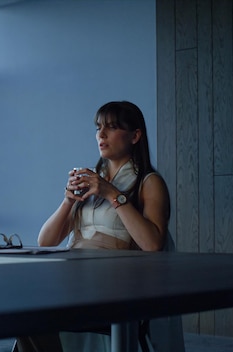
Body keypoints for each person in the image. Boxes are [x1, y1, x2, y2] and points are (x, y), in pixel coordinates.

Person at [15, 101, 176, 352]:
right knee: (14, 301)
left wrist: (111, 192)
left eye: (111, 127)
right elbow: (46, 241)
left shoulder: (148, 182)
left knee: (26, 304)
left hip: (114, 283)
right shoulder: (91, 179)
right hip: (75, 276)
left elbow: (153, 244)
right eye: (98, 127)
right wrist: (68, 201)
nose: (101, 134)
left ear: (135, 136)